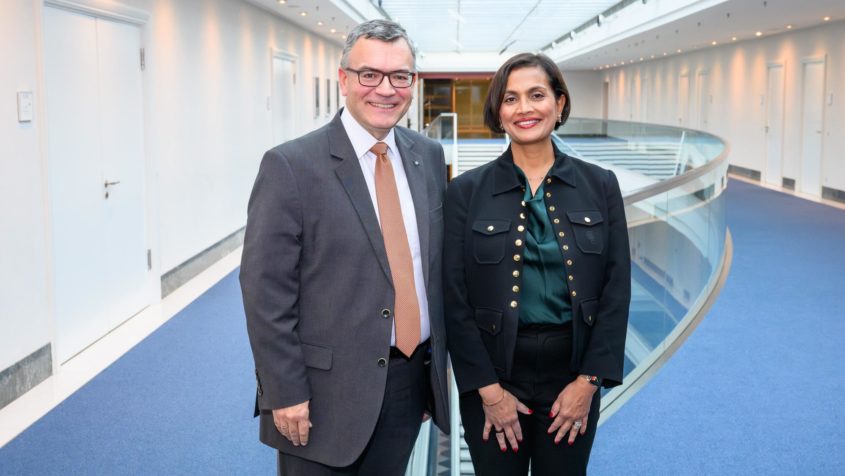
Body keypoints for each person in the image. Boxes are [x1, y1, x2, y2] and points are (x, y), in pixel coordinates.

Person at [240, 19, 450, 476]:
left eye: (400, 76)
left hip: (406, 381)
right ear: (344, 79)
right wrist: (284, 391)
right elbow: (264, 292)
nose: (386, 89)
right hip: (319, 393)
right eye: (369, 74)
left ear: (413, 82)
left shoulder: (428, 157)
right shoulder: (291, 166)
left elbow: (429, 270)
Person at [443, 52, 631, 475]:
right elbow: (453, 299)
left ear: (560, 104)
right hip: (494, 375)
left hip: (573, 373)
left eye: (537, 95)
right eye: (510, 99)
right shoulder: (465, 192)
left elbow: (616, 290)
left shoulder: (601, 185)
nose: (524, 109)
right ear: (498, 111)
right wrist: (489, 392)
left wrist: (588, 383)